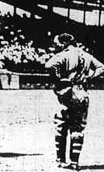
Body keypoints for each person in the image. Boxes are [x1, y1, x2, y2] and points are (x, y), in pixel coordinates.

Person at [45, 33, 104, 170]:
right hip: (82, 93)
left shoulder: (63, 55)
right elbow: (101, 67)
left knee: (61, 125)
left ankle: (60, 160)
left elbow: (49, 66)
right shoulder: (86, 55)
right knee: (78, 128)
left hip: (66, 93)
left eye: (57, 44)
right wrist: (89, 77)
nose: (55, 47)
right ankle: (74, 162)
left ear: (64, 43)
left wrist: (59, 79)